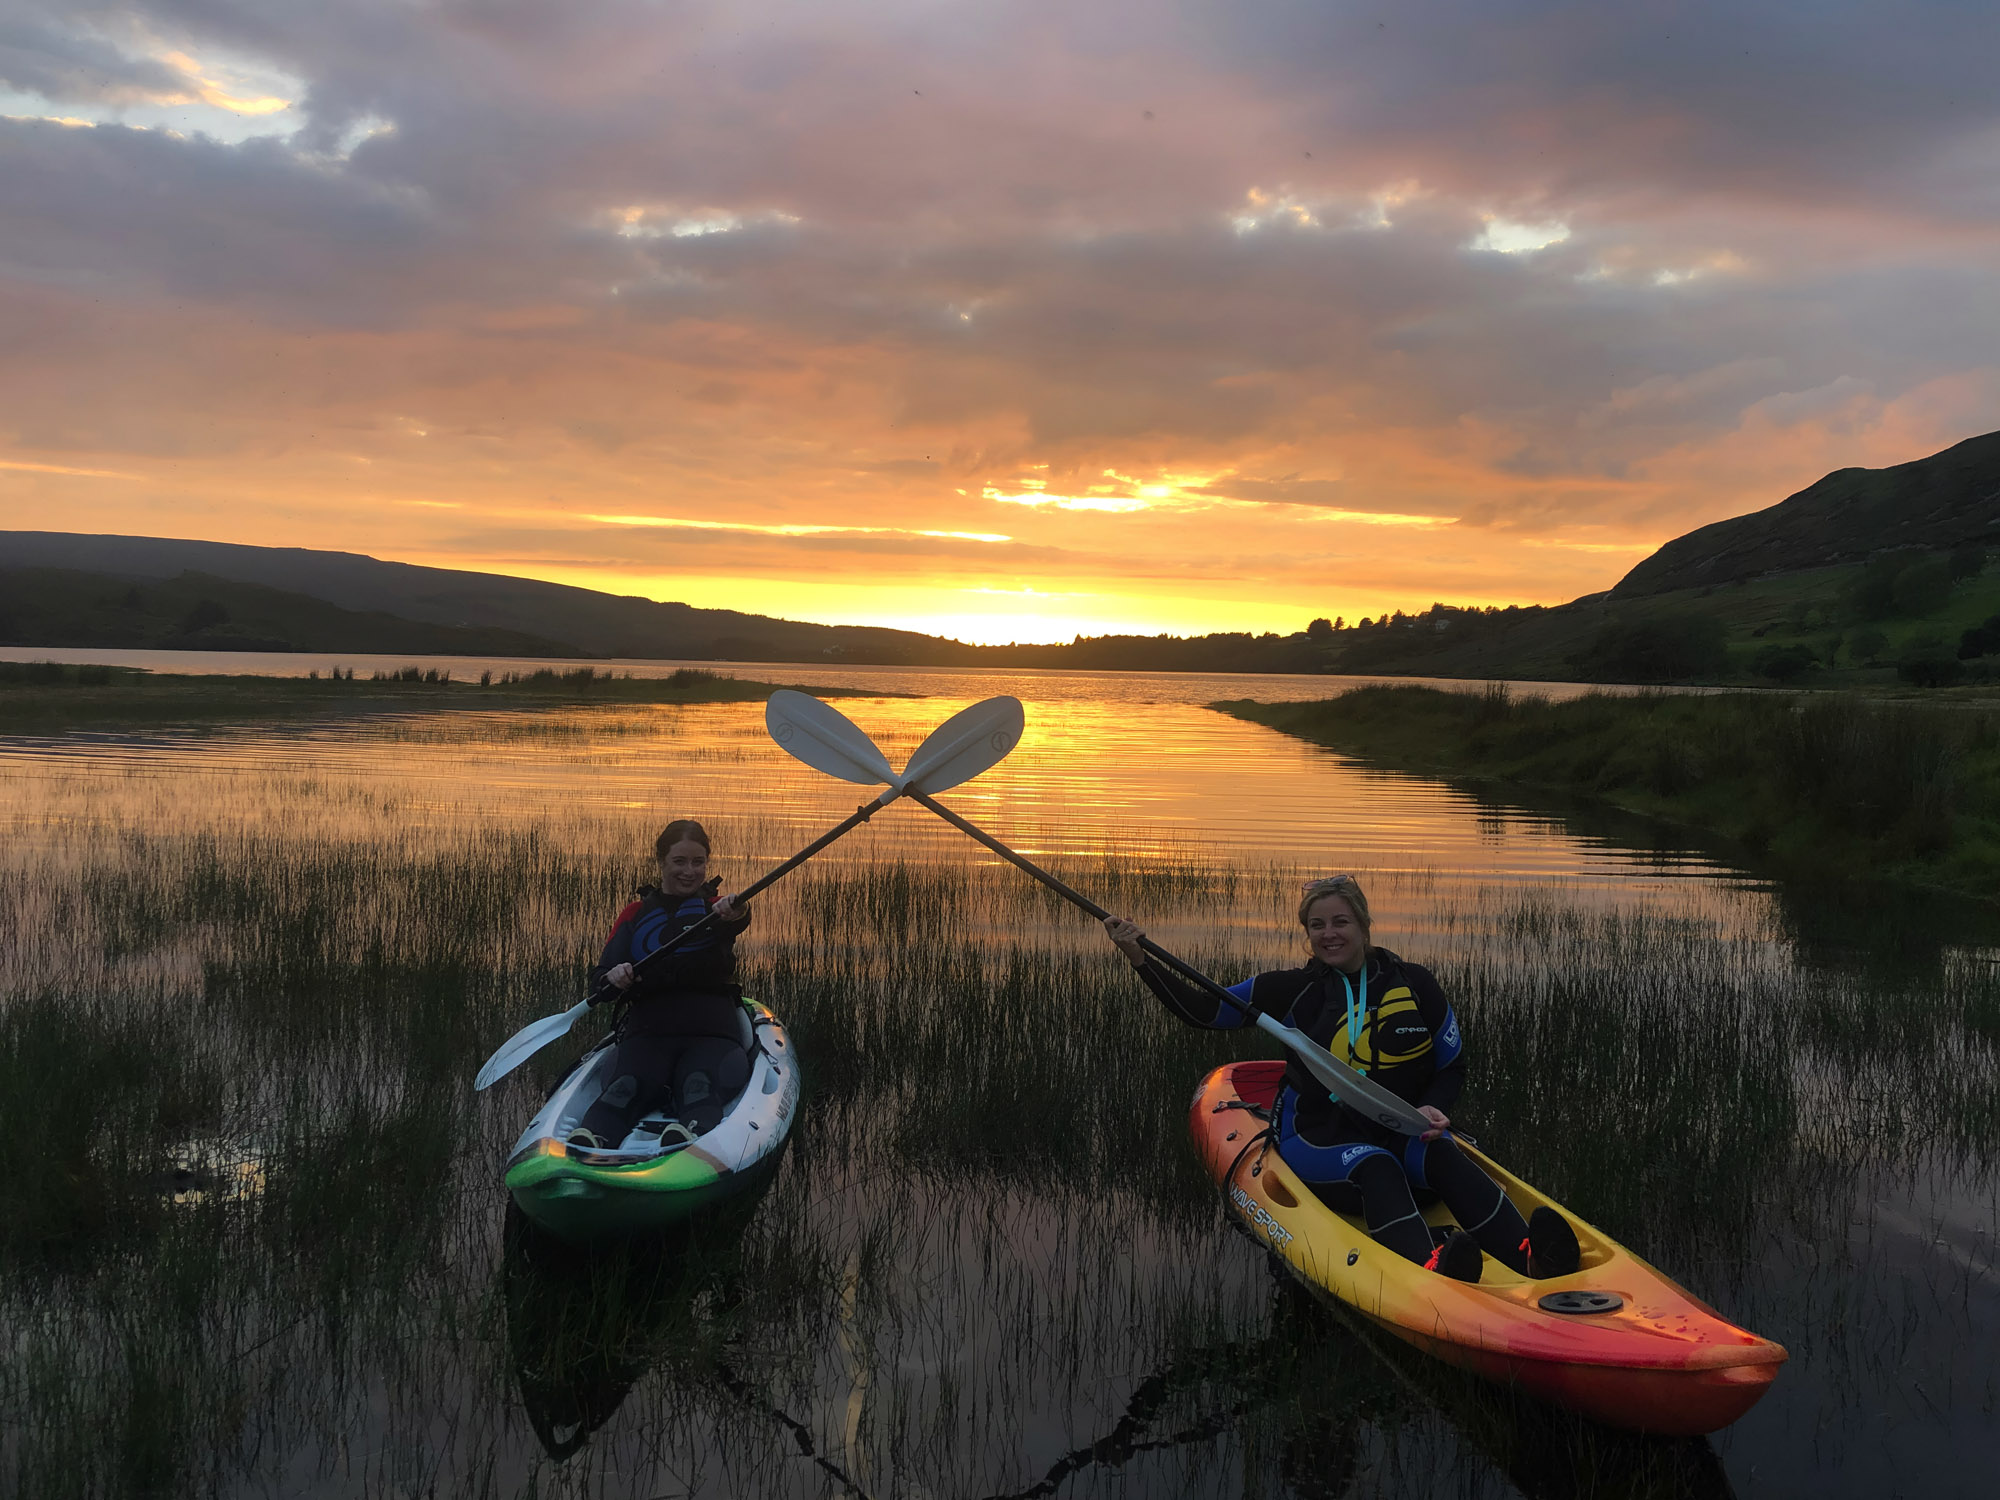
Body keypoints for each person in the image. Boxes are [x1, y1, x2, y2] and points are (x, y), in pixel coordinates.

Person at [1103, 874, 1578, 1284]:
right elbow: (1202, 1012)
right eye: (1317, 925)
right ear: (1307, 933)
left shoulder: (1415, 983)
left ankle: (1531, 1258)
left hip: (1402, 1128)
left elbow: (1451, 1064)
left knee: (1442, 1154)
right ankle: (1432, 1267)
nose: (1329, 934)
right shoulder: (1289, 989)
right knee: (1376, 1166)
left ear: (1364, 925)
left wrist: (1436, 1106)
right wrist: (1139, 958)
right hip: (1319, 1137)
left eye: (1340, 922)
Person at [570, 819, 754, 1149]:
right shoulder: (635, 915)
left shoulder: (718, 910)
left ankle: (689, 1140)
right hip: (649, 1035)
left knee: (698, 1085)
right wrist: (613, 977)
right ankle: (589, 1143)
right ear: (661, 861)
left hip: (711, 1035)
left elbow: (740, 914)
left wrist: (737, 909)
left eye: (699, 862)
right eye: (679, 861)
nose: (690, 871)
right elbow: (600, 981)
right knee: (623, 1089)